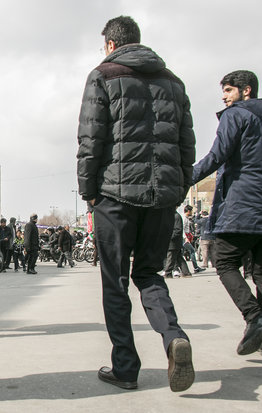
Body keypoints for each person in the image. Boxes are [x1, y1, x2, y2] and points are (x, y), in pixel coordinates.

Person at [77, 16, 195, 392]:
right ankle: (173, 336)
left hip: (114, 196)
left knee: (115, 282)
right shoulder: (174, 82)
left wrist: (88, 190)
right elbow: (186, 143)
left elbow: (91, 137)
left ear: (111, 44)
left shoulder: (103, 74)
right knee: (149, 274)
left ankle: (126, 368)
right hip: (162, 197)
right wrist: (179, 189)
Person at [193, 70, 262, 358]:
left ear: (246, 90)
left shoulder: (236, 115)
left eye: (229, 90)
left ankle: (255, 317)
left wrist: (186, 176)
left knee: (224, 260)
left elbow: (218, 155)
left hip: (242, 204)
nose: (225, 97)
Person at [163, 212, 192, 278]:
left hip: (173, 242)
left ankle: (168, 273)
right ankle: (186, 273)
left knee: (170, 257)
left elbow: (177, 230)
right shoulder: (171, 215)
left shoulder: (176, 216)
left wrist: (169, 237)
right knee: (179, 258)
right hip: (173, 241)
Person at [183, 205, 205, 274]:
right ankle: (195, 267)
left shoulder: (187, 218)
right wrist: (185, 237)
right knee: (192, 250)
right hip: (184, 238)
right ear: (188, 211)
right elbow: (182, 229)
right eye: (191, 211)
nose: (192, 212)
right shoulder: (184, 218)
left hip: (186, 237)